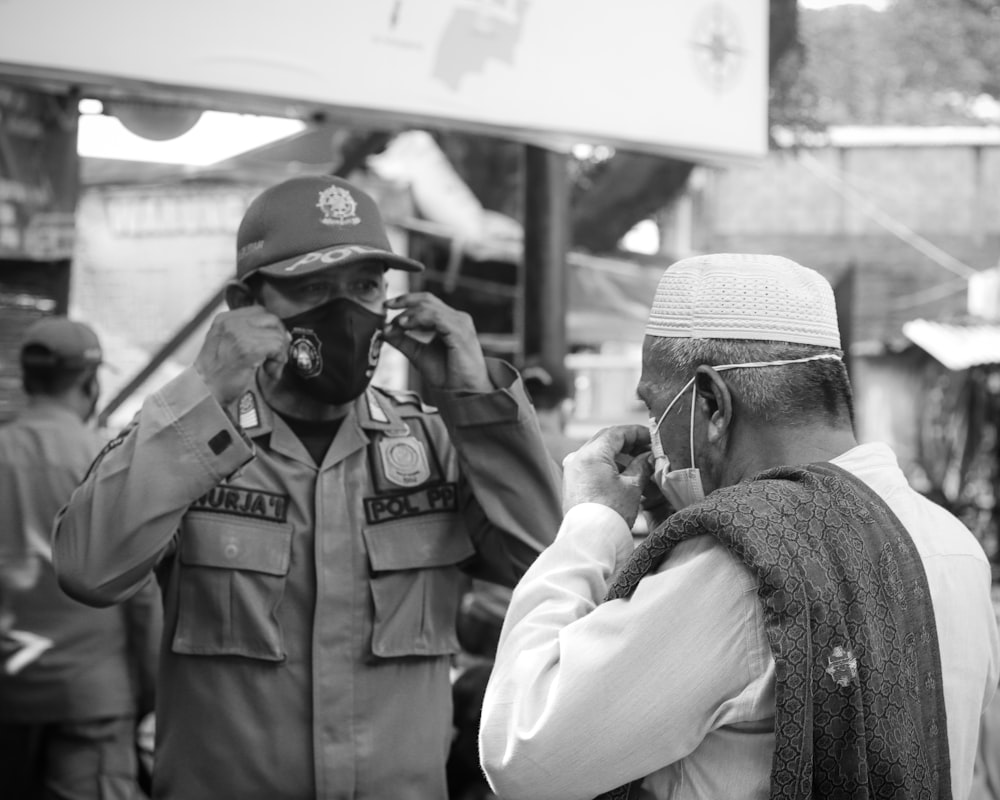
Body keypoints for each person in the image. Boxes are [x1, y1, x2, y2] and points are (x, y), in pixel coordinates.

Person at [52, 174, 562, 800]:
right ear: (247, 305)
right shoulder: (191, 444)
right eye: (313, 287)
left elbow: (548, 565)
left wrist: (479, 400)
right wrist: (203, 391)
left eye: (366, 287)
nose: (346, 311)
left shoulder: (432, 447)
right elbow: (89, 569)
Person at [479, 253, 1000, 800]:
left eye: (658, 411)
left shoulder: (739, 565)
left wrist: (590, 522)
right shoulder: (954, 548)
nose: (656, 438)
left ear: (711, 404)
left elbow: (523, 750)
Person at [0, 317, 161, 800]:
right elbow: (142, 595)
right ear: (91, 383)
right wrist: (152, 694)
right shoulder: (107, 463)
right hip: (91, 701)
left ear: (28, 379)